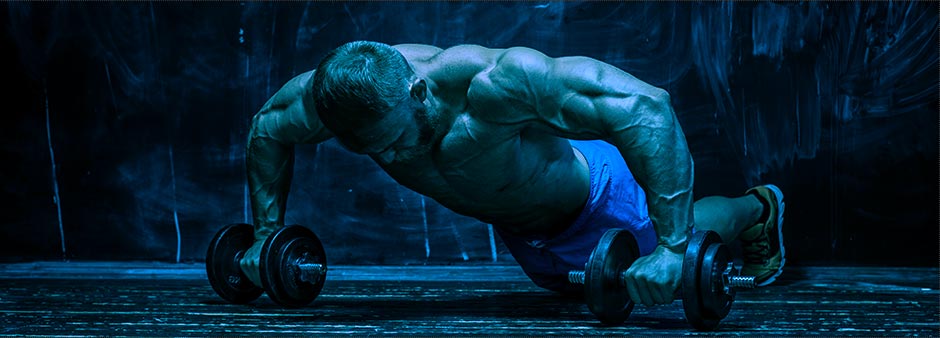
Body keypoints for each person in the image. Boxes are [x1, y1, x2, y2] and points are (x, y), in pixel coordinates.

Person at [237, 41, 785, 306]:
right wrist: (264, 238)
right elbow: (267, 129)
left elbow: (646, 108)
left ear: (418, 92)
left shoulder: (495, 84)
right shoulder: (330, 98)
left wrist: (669, 250)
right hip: (531, 242)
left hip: (600, 201)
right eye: (375, 151)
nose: (396, 156)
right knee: (580, 294)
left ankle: (758, 210)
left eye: (398, 137)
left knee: (681, 242)